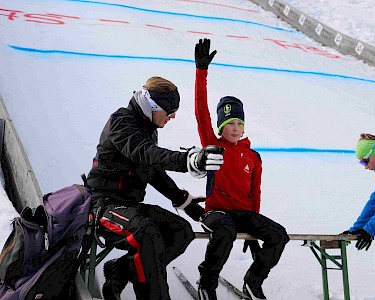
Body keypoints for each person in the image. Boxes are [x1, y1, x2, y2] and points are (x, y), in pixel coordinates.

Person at [86, 76, 225, 300]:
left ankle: (119, 270)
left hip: (128, 207)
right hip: (103, 207)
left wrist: (187, 203)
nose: (173, 117)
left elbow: (152, 171)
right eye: (169, 112)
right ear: (151, 106)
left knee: (181, 232)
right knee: (147, 233)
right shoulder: (122, 122)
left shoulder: (149, 128)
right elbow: (146, 153)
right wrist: (188, 160)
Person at [193, 38, 290, 300]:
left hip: (244, 213)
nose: (235, 127)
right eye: (229, 123)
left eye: (239, 122)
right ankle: (207, 283)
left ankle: (253, 281)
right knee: (225, 231)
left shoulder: (253, 157)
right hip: (216, 212)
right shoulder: (213, 145)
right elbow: (201, 112)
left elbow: (254, 194)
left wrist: (254, 233)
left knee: (279, 236)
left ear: (244, 126)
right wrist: (201, 71)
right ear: (221, 126)